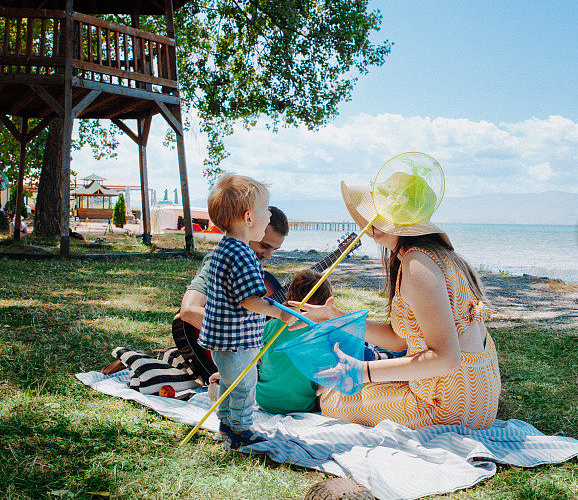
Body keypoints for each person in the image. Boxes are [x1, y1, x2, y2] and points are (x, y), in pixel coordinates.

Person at [291, 179, 501, 430]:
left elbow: (447, 358)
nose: (373, 221)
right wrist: (333, 315)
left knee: (332, 400)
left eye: (384, 214)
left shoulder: (417, 264)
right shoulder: (435, 255)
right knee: (350, 390)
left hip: (448, 404)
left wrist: (363, 371)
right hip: (473, 395)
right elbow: (399, 339)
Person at [198, 174, 293, 448]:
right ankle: (241, 431)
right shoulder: (243, 255)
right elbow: (250, 300)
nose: (268, 216)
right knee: (244, 385)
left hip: (222, 340)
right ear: (249, 218)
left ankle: (226, 426)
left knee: (230, 383)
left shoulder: (223, 249)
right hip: (237, 341)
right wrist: (282, 314)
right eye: (266, 210)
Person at [179, 206, 288, 331]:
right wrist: (242, 333)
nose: (268, 256)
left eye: (274, 250)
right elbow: (189, 310)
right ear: (249, 229)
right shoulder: (222, 260)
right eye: (264, 246)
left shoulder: (248, 264)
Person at [256, 269, 332, 414]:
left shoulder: (269, 327)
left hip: (264, 401)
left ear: (288, 296)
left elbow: (257, 358)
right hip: (303, 405)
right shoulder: (323, 333)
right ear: (325, 303)